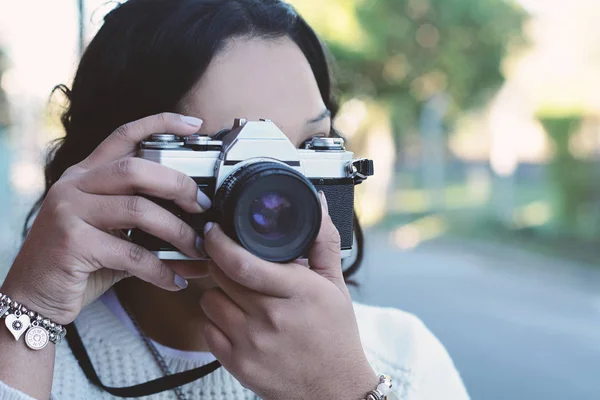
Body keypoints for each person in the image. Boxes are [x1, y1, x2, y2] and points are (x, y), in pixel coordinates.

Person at [0, 1, 469, 399]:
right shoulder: (32, 344)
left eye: (309, 149)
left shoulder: (401, 358)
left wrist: (344, 389)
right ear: (116, 164)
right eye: (218, 153)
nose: (281, 195)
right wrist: (27, 322)